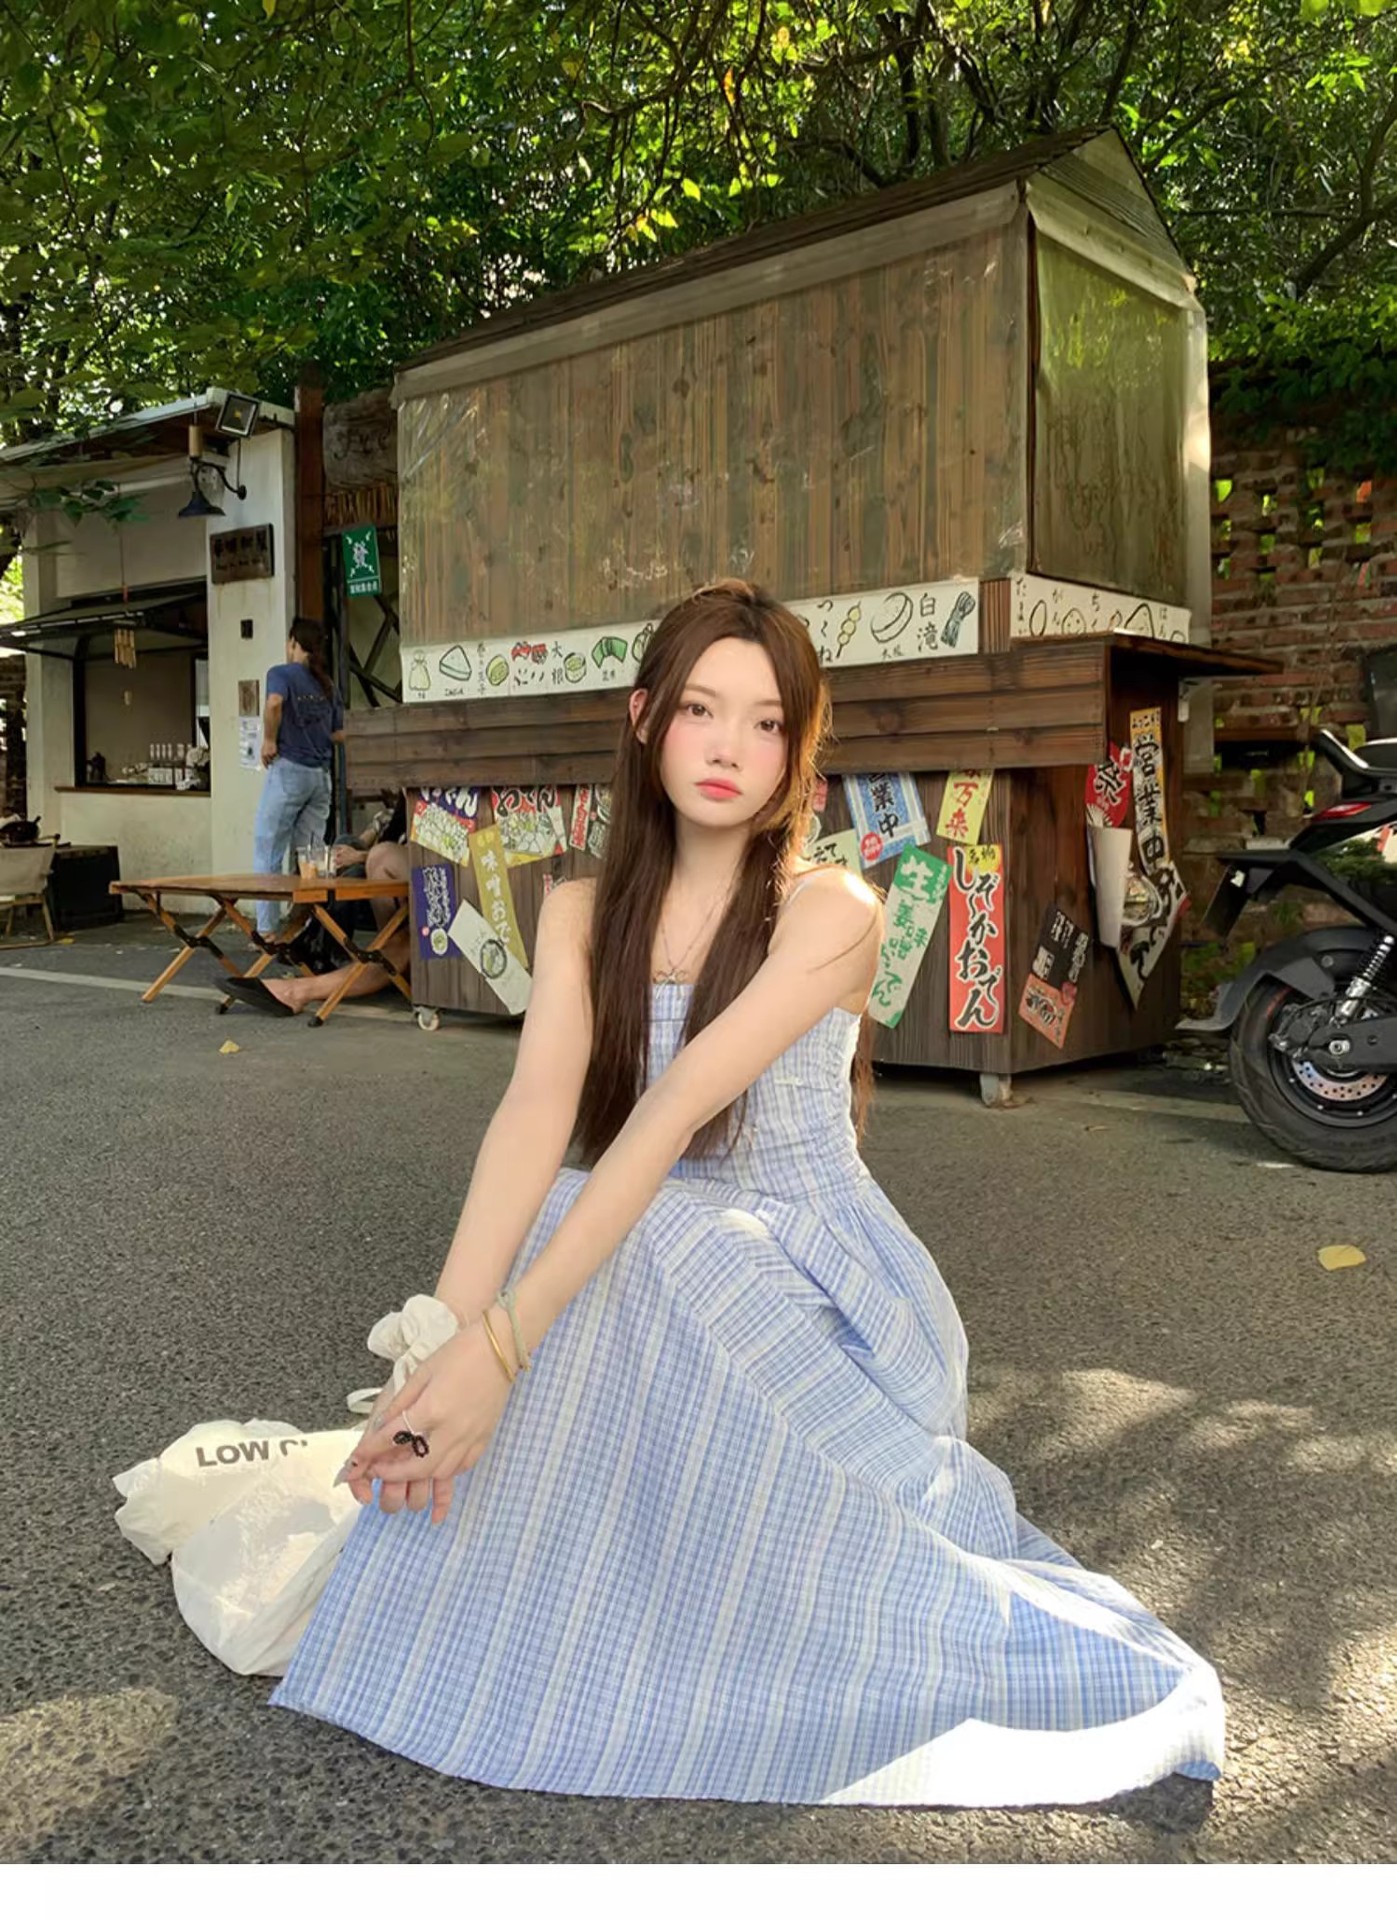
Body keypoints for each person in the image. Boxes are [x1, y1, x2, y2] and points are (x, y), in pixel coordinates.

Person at [269, 580, 1225, 1807]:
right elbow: (534, 1114)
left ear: (796, 749)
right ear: (643, 718)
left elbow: (669, 1114)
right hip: (655, 1243)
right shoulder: (577, 912)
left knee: (614, 1232)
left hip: (811, 1274)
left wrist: (502, 1350)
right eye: (701, 710)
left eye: (768, 722)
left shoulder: (829, 908)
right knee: (576, 1219)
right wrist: (438, 1348)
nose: (729, 747)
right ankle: (481, 1578)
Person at [250, 617, 345, 938]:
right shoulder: (327, 684)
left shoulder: (281, 674)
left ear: (293, 642)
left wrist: (269, 740)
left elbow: (275, 703)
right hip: (320, 778)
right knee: (311, 857)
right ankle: (307, 929)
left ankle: (267, 931)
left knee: (268, 848)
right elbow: (338, 733)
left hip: (289, 771)